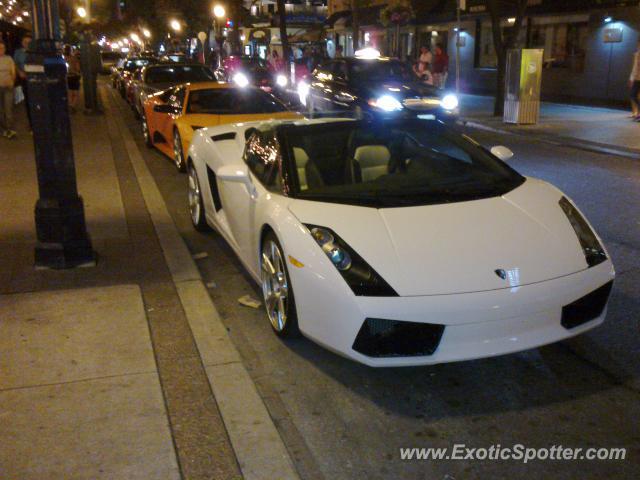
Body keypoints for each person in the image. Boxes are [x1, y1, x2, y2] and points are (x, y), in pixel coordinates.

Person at [13, 34, 32, 130]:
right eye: (25, 42)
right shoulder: (18, 52)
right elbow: (15, 63)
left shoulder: (34, 52)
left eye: (29, 42)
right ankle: (31, 123)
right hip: (25, 79)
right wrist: (19, 72)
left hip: (35, 79)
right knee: (28, 101)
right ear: (22, 43)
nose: (27, 44)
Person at [0, 40, 17, 139]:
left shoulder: (9, 59)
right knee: (0, 111)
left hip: (8, 87)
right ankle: (4, 128)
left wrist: (12, 81)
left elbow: (13, 71)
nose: (0, 50)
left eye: (2, 48)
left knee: (8, 109)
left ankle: (9, 129)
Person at [64, 45, 81, 113]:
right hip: (75, 76)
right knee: (76, 93)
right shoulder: (74, 58)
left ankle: (70, 104)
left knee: (70, 92)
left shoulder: (64, 59)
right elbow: (78, 68)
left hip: (68, 77)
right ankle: (73, 106)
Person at [630, 40, 640, 122]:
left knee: (634, 95)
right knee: (633, 95)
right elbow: (635, 66)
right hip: (637, 78)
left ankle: (638, 114)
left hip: (638, 78)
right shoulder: (637, 54)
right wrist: (631, 78)